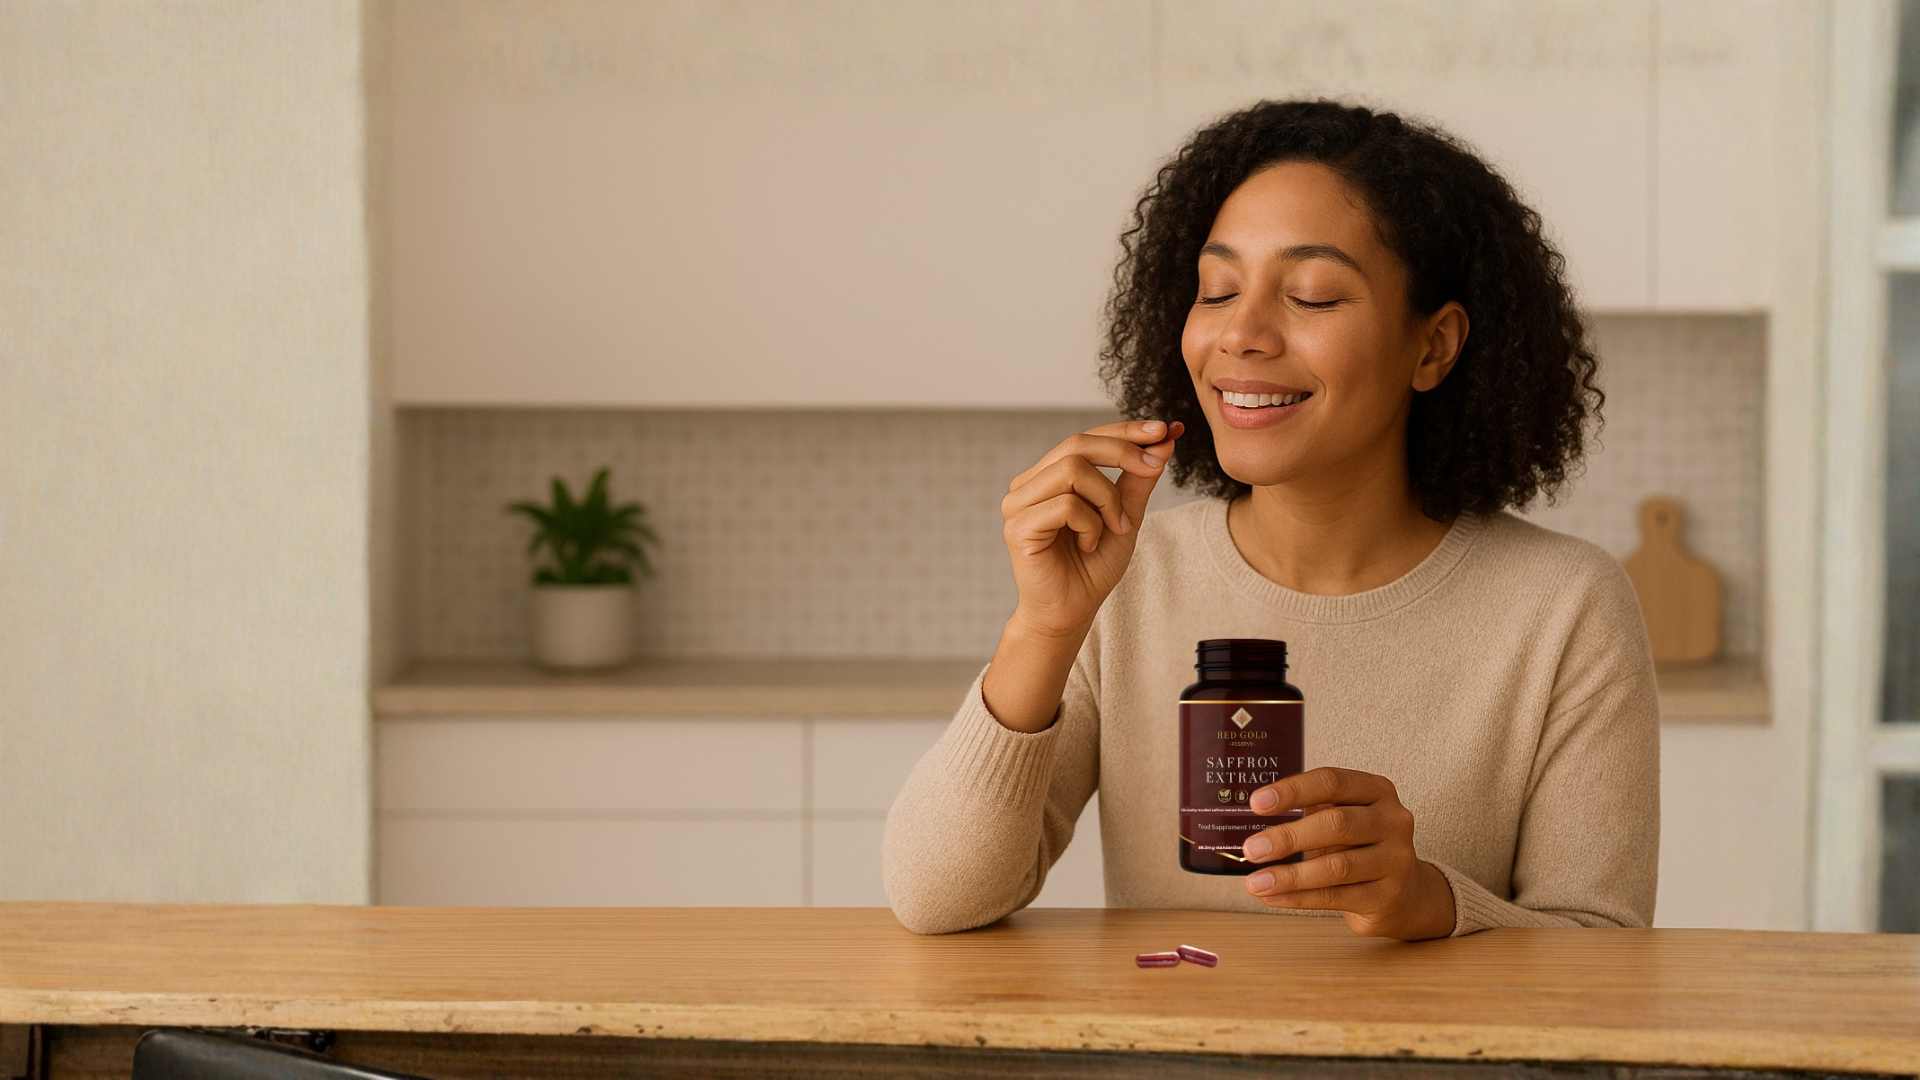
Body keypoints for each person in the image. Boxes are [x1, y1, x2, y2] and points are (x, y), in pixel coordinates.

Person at [881, 99, 1659, 940]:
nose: (1241, 333)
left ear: (1432, 347)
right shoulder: (1129, 577)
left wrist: (1430, 903)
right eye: (1217, 289)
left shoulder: (1566, 606)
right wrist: (1042, 626)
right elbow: (936, 899)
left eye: (1313, 296)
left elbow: (1603, 953)